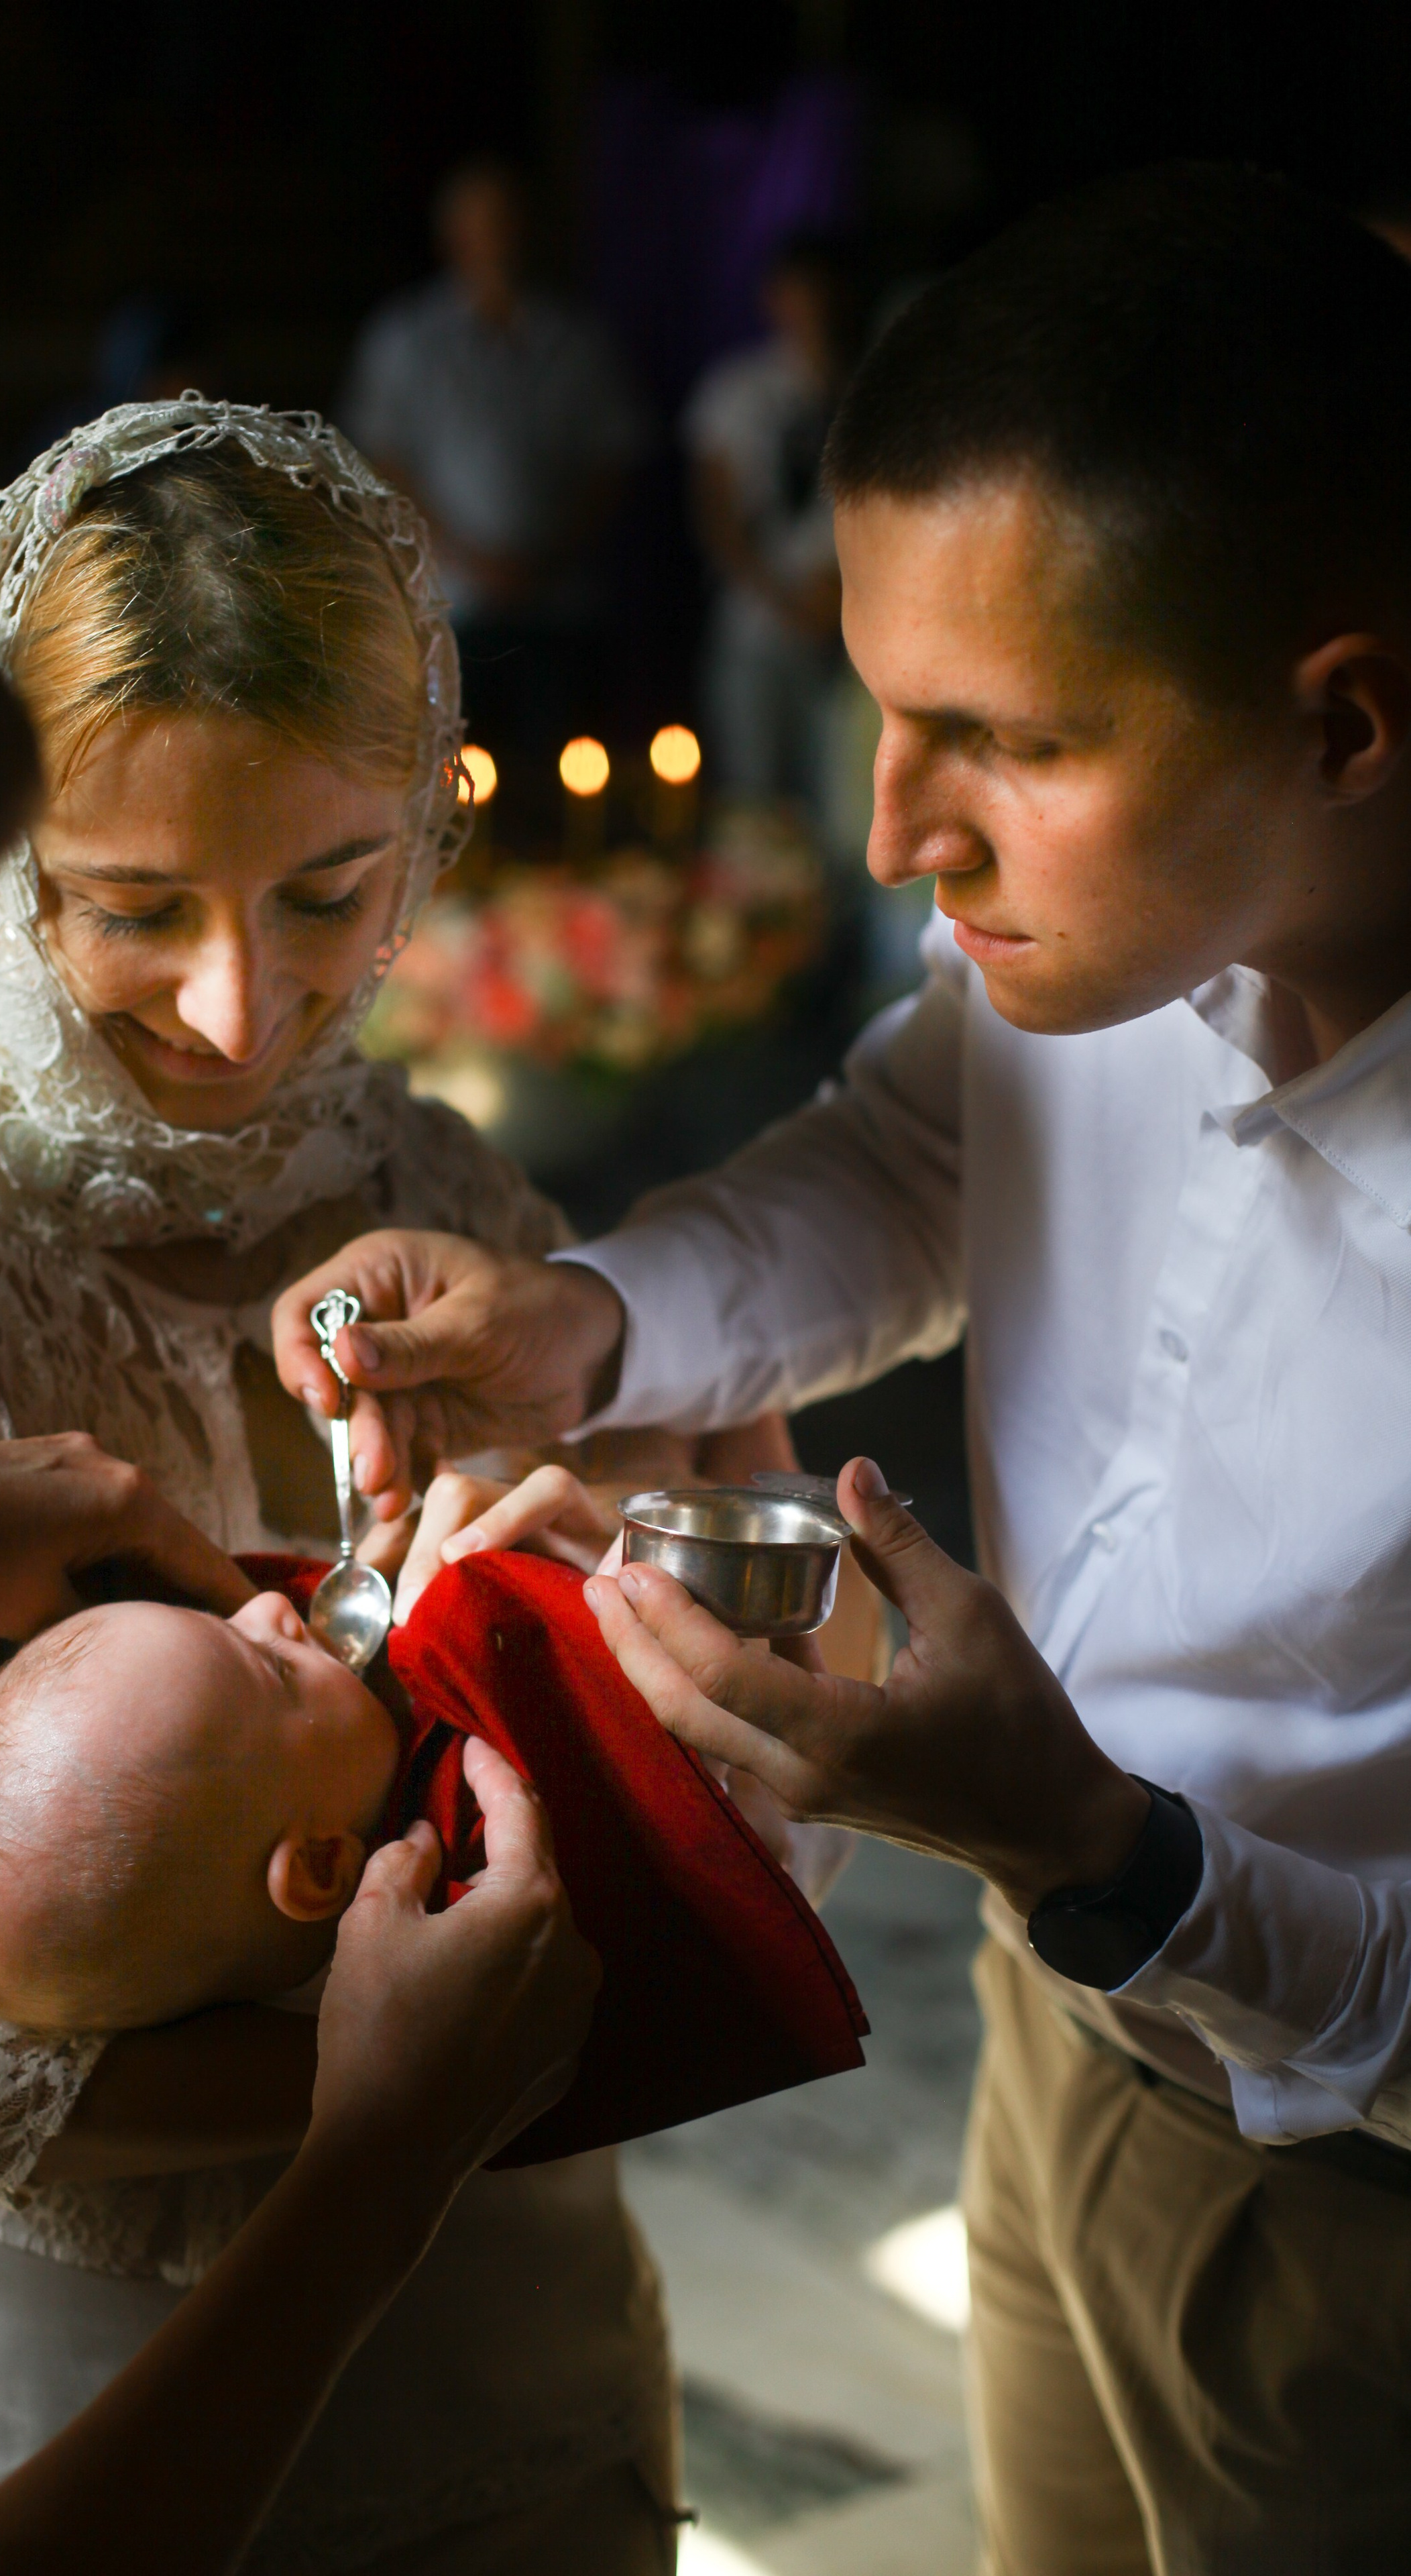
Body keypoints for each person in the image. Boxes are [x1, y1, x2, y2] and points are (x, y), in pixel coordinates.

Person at [274, 166, 1411, 2573]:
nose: (895, 830)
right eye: (886, 715)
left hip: (1353, 2224)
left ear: (1340, 723)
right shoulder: (1093, 954)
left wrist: (1108, 1858)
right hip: (1050, 2046)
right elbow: (914, 1157)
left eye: (993, 741)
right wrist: (587, 1322)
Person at [0, 398, 679, 2576]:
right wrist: (490, 2058)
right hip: (48, 2393)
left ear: (423, 820)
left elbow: (695, 1739)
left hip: (524, 2370)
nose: (244, 1007)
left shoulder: (445, 1195)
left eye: (327, 892)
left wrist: (640, 1603)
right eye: (132, 907)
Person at [0, 1552, 866, 2149]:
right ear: (320, 1869)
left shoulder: (243, 1882)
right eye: (272, 1669)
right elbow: (694, 1834)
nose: (270, 1608)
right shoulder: (472, 1889)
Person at [341, 159, 646, 829]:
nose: (496, 240)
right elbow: (383, 461)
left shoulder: (575, 340)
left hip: (559, 601)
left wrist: (549, 556)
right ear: (452, 237)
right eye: (480, 226)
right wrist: (474, 557)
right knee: (454, 777)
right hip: (453, 604)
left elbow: (613, 460)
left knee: (561, 777)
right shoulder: (407, 339)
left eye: (507, 223)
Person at [684, 233, 851, 821]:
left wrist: (841, 598)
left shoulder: (868, 386)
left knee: (839, 799)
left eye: (823, 293)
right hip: (754, 626)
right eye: (797, 293)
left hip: (849, 634)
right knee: (753, 794)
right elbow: (717, 511)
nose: (811, 308)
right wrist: (781, 598)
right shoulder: (738, 390)